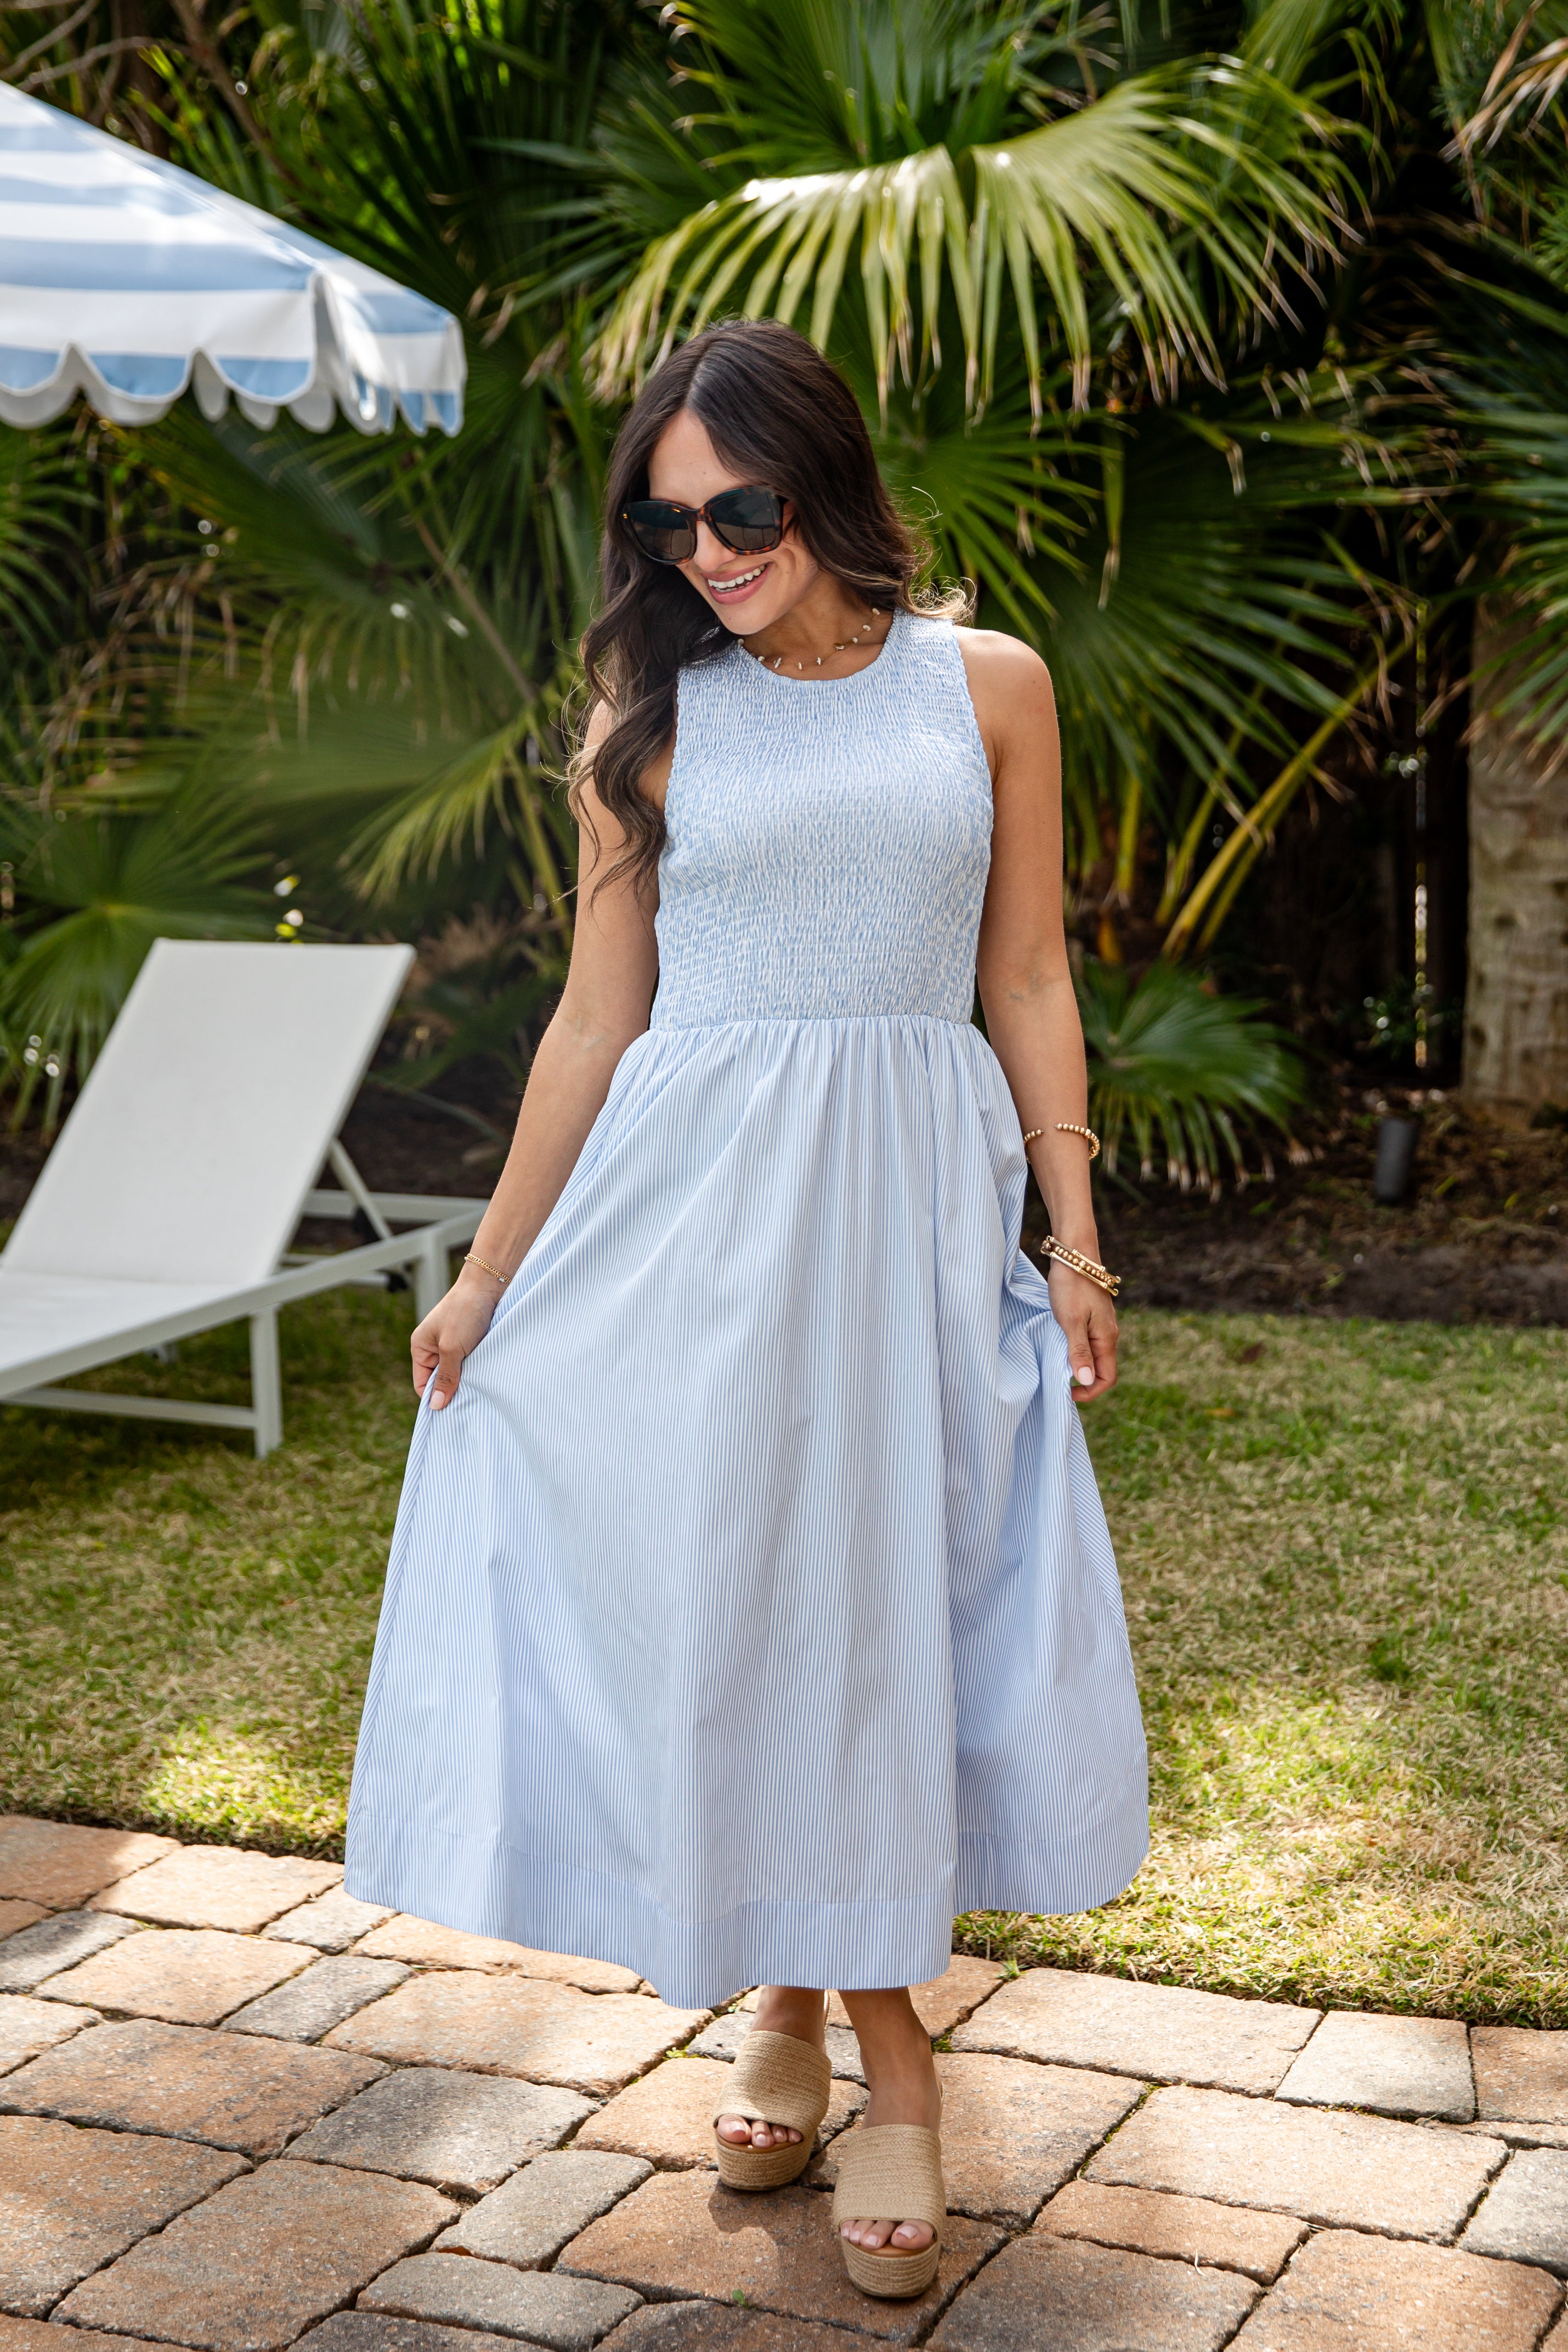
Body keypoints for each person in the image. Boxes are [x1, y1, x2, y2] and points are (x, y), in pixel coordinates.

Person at [344, 318, 1147, 2301]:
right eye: (670, 518)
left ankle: (789, 2007)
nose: (706, 549)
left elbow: (1026, 974)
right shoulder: (649, 718)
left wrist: (1074, 1236)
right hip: (689, 1237)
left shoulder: (992, 686)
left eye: (745, 507)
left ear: (826, 480)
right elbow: (595, 1023)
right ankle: (889, 2059)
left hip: (902, 1219)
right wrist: (489, 1274)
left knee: (870, 1604)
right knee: (764, 1612)